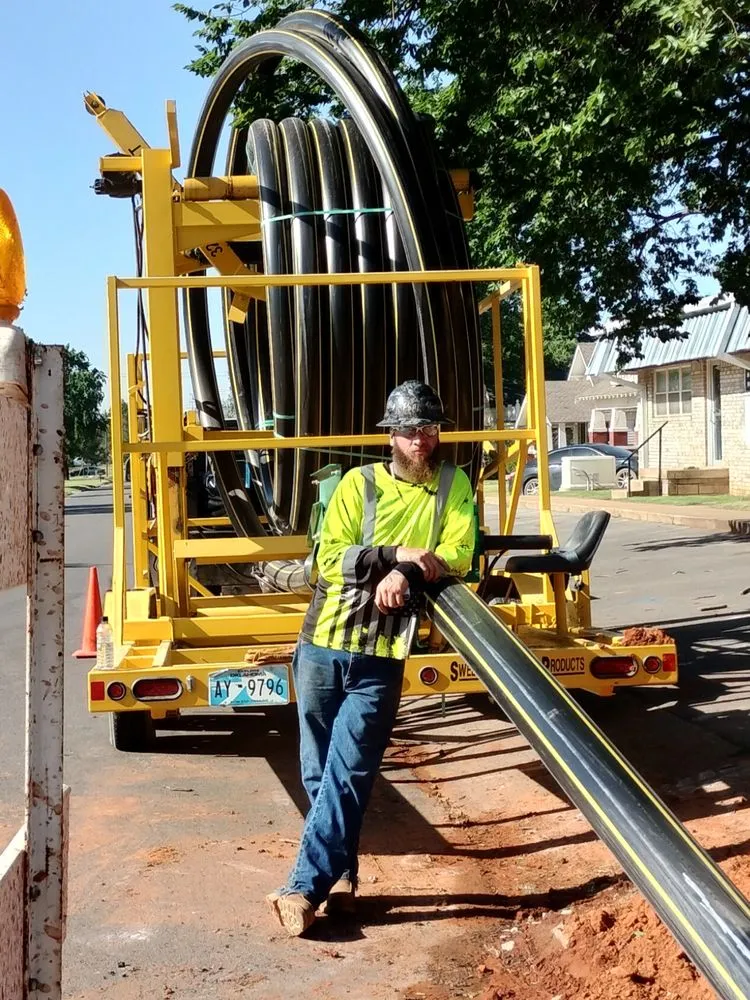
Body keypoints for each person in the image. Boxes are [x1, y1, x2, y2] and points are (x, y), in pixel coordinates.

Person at [267, 380, 476, 936]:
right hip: (322, 645)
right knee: (320, 772)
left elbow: (459, 552)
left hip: (382, 656)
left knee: (350, 771)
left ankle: (302, 888)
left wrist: (406, 571)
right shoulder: (356, 486)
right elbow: (329, 560)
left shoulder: (453, 485)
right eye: (409, 431)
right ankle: (341, 878)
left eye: (429, 429)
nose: (421, 440)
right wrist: (393, 554)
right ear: (391, 435)